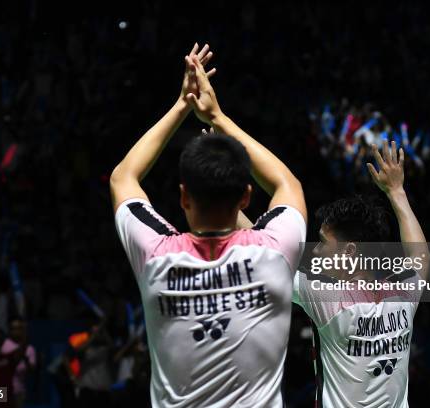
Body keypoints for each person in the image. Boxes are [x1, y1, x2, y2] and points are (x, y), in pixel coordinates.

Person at [110, 43, 307, 407]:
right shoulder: (275, 250)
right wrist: (217, 117)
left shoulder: (156, 255)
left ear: (184, 197)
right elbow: (286, 184)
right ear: (246, 197)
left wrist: (183, 104)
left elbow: (124, 177)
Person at [293, 141, 429, 407]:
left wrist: (227, 204)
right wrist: (397, 191)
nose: (317, 251)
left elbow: (266, 251)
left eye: (322, 242)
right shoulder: (402, 294)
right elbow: (420, 256)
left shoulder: (324, 297)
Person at [1, 316, 36, 408]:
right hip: (2, 391)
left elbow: (32, 370)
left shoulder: (30, 349)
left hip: (19, 392)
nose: (16, 331)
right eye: (13, 328)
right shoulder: (2, 345)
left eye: (19, 328)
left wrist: (25, 358)